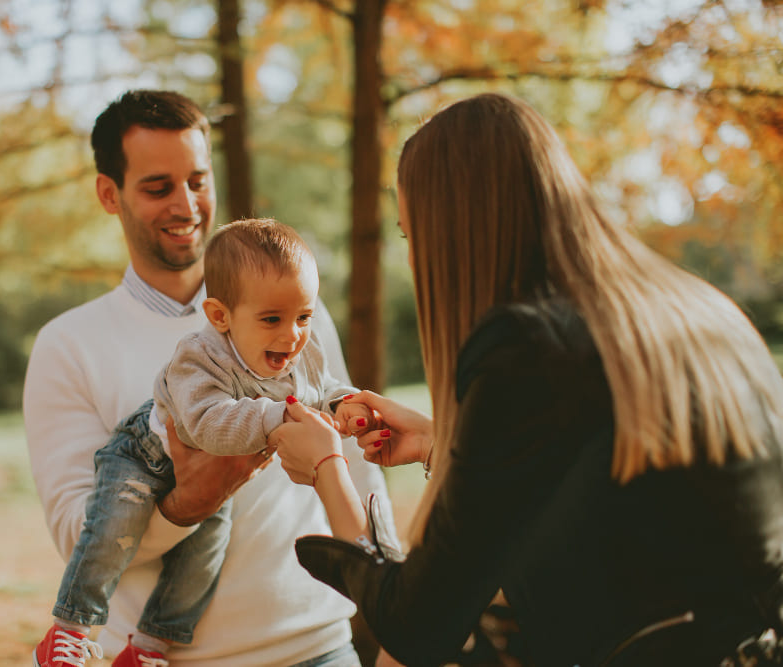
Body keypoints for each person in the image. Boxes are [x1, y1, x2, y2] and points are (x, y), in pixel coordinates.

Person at [270, 92, 783, 666]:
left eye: (413, 238)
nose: (414, 262)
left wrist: (327, 469)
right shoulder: (694, 309)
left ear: (454, 235)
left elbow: (419, 627)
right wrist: (446, 443)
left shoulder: (526, 346)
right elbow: (633, 505)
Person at [23, 89, 393, 667]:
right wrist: (186, 503)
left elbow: (357, 459)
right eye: (157, 186)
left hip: (321, 647)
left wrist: (390, 588)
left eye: (198, 179)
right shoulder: (67, 347)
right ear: (108, 193)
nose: (186, 204)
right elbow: (79, 533)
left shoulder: (296, 312)